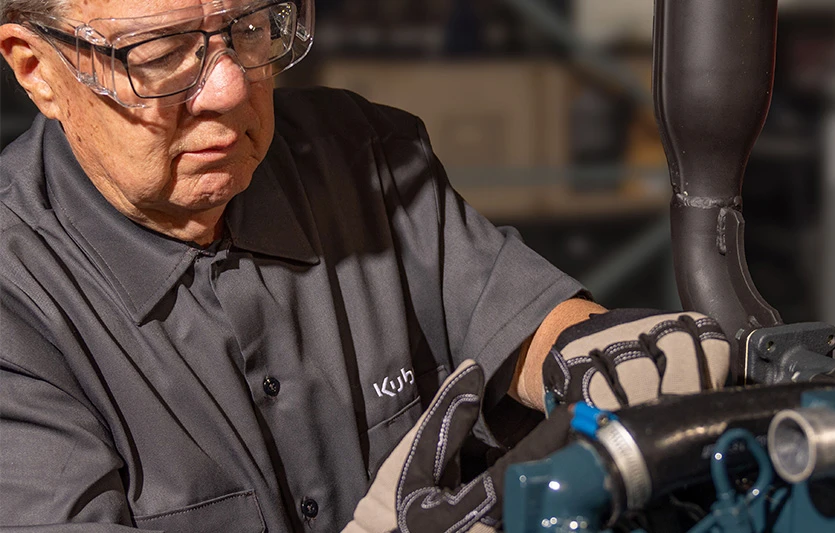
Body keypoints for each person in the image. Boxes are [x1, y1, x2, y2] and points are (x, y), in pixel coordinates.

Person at [0, 0, 731, 531]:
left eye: (250, 29)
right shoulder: (17, 303)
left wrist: (593, 352)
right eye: (160, 55)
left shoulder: (364, 156)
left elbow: (519, 316)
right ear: (37, 70)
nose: (227, 88)